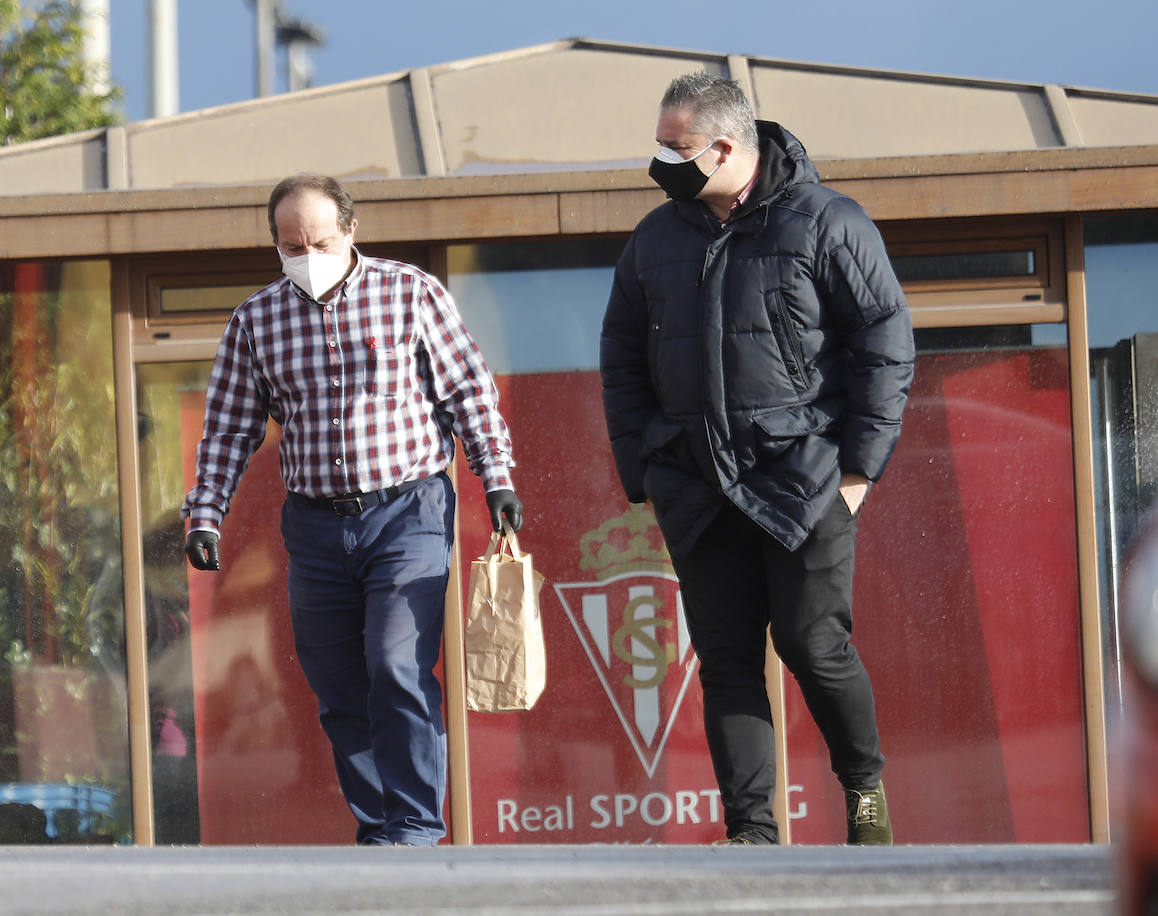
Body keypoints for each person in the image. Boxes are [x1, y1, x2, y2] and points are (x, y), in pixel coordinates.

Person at [599, 73, 915, 846]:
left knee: (814, 646)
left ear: (726, 147)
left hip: (803, 481)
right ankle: (752, 832)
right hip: (698, 488)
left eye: (675, 148)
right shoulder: (655, 238)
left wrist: (856, 474)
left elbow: (885, 346)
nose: (662, 162)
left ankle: (864, 793)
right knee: (728, 662)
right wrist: (646, 467)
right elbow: (620, 356)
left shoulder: (828, 221)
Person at [181, 172, 523, 847]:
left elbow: (470, 394)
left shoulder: (412, 293)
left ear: (352, 230)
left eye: (320, 240)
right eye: (291, 244)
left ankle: (417, 828)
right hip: (314, 523)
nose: (307, 254)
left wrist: (498, 478)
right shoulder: (257, 320)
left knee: (396, 665)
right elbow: (226, 429)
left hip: (409, 509)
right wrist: (205, 515)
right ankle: (380, 829)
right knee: (338, 686)